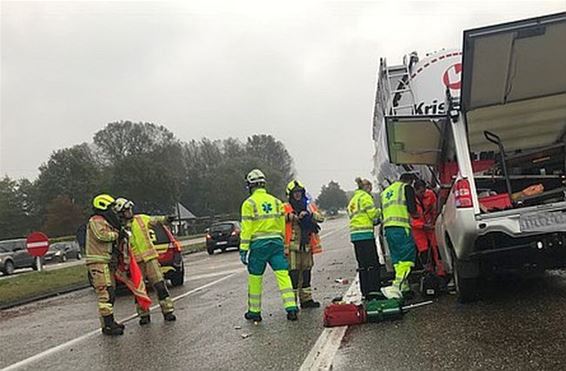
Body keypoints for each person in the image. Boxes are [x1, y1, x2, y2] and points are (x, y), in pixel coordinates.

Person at [239, 169, 299, 322]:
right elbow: (281, 225)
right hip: (276, 243)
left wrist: (244, 249)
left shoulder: (249, 204)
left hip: (259, 246)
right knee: (283, 276)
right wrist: (284, 244)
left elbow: (247, 229)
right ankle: (291, 308)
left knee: (255, 278)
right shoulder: (276, 202)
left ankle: (255, 311)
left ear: (251, 186)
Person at [113, 198, 177, 325]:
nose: (129, 212)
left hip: (150, 259)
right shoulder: (120, 229)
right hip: (135, 263)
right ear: (121, 213)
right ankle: (144, 314)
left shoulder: (141, 219)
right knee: (139, 291)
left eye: (130, 209)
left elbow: (155, 220)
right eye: (126, 210)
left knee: (159, 285)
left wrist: (166, 219)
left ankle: (168, 311)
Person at [85, 194, 125, 336]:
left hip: (105, 261)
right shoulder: (96, 220)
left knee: (110, 293)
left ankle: (109, 322)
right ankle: (108, 325)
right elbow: (102, 236)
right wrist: (117, 234)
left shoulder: (104, 220)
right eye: (111, 207)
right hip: (97, 261)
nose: (113, 211)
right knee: (105, 294)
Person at [283, 180, 324, 308]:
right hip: (292, 246)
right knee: (294, 274)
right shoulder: (285, 207)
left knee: (306, 272)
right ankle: (292, 302)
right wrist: (293, 217)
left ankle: (306, 299)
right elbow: (279, 218)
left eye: (299, 192)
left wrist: (309, 215)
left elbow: (321, 218)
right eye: (295, 192)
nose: (297, 195)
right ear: (290, 194)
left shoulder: (308, 206)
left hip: (306, 245)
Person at [380, 173, 419, 299]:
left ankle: (405, 288)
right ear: (410, 181)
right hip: (401, 227)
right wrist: (417, 216)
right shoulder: (406, 188)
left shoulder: (386, 192)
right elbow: (412, 209)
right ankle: (396, 287)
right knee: (407, 258)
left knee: (398, 260)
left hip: (388, 229)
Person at [347, 177, 381, 301]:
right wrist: (380, 213)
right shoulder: (365, 197)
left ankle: (365, 291)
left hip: (355, 235)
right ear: (367, 188)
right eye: (370, 189)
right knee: (372, 263)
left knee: (362, 265)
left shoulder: (353, 200)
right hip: (366, 234)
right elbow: (373, 214)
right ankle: (374, 290)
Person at [412, 180, 445, 276]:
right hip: (418, 229)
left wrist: (434, 221)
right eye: (420, 192)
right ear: (415, 190)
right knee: (424, 251)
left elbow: (435, 209)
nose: (422, 194)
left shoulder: (430, 195)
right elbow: (410, 219)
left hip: (430, 226)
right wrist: (422, 225)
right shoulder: (410, 200)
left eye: (424, 191)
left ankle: (441, 272)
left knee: (436, 248)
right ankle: (429, 273)